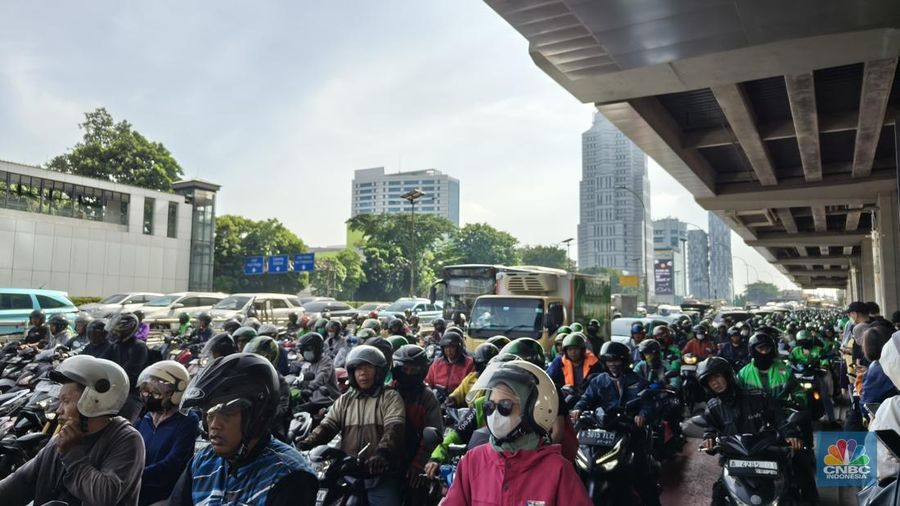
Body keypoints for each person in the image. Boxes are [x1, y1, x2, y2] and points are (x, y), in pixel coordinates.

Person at [170, 353, 317, 505]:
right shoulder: (203, 461)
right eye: (209, 414)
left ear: (257, 417)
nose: (214, 425)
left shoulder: (288, 475)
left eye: (227, 413)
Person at [0, 354, 145, 505]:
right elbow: (21, 481)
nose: (58, 410)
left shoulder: (126, 440)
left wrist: (71, 454)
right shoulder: (61, 440)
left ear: (94, 401)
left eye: (65, 401)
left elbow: (105, 496)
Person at [444, 360, 591, 506]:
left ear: (532, 411)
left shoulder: (558, 470)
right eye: (489, 406)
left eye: (505, 406)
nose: (495, 414)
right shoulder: (473, 461)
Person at [298, 345, 406, 505]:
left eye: (368, 367)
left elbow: (394, 430)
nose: (363, 373)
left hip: (380, 473)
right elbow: (328, 426)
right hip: (348, 471)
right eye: (358, 368)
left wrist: (381, 454)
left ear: (379, 371)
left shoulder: (390, 397)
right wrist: (306, 444)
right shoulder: (345, 399)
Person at [696, 357, 802, 505]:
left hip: (766, 455)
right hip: (734, 460)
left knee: (791, 491)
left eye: (717, 377)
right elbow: (711, 428)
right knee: (718, 497)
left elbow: (780, 418)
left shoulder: (757, 396)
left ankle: (812, 497)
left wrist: (790, 434)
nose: (715, 383)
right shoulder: (713, 407)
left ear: (727, 375)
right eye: (710, 381)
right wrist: (709, 438)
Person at [571, 341, 659, 506]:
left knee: (642, 475)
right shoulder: (598, 380)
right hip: (603, 431)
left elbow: (649, 403)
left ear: (624, 361)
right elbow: (586, 399)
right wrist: (578, 409)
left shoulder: (637, 381)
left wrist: (642, 414)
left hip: (630, 432)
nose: (612, 364)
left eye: (616, 360)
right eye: (609, 361)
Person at [135, 361, 199, 506]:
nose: (149, 397)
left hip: (163, 494)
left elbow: (173, 463)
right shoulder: (144, 417)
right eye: (146, 392)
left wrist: (136, 475)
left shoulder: (187, 420)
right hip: (136, 487)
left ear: (176, 394)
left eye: (157, 393)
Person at [391, 344, 443, 503]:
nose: (408, 373)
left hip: (415, 457)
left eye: (413, 370)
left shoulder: (427, 397)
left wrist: (420, 462)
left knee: (417, 495)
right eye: (404, 369)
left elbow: (434, 433)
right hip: (388, 457)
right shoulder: (388, 392)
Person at [243, 336, 292, 443]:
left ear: (269, 358)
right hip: (243, 431)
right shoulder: (245, 379)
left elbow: (281, 410)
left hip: (271, 433)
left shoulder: (280, 382)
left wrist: (256, 416)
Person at [104, 312, 149, 422]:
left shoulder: (139, 347)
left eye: (117, 331)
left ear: (126, 331)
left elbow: (131, 374)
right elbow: (101, 361)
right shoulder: (115, 345)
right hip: (115, 389)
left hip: (132, 393)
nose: (114, 333)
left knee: (123, 423)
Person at [295, 332, 340, 412]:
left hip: (328, 401)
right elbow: (302, 377)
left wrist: (311, 387)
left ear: (317, 349)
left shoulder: (326, 361)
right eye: (303, 350)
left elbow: (322, 376)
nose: (305, 352)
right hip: (314, 401)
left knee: (299, 411)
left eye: (308, 349)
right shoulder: (307, 363)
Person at [447, 342, 499, 408]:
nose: (485, 368)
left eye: (488, 365)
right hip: (467, 415)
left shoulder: (499, 383)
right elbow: (459, 392)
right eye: (482, 364)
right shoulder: (472, 377)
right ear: (476, 363)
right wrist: (451, 400)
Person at [425, 330, 474, 396]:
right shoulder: (437, 364)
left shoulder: (469, 364)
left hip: (459, 401)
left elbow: (470, 387)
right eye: (446, 347)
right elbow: (428, 382)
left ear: (458, 348)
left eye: (452, 347)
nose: (448, 350)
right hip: (438, 399)